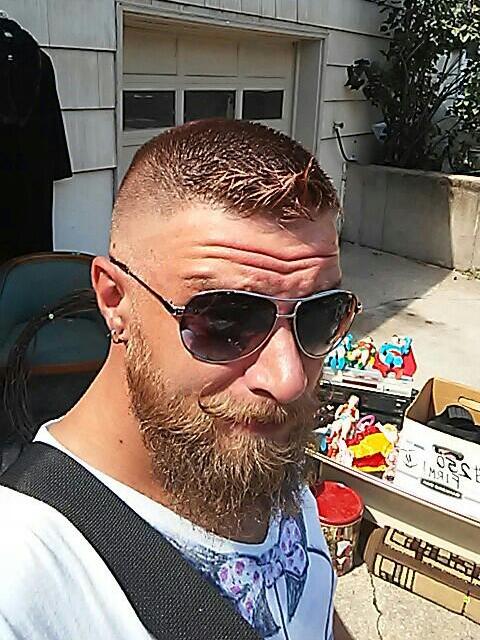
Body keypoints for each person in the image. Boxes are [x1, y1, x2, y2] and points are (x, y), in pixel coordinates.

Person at [0, 119, 358, 639]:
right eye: (227, 320)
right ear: (115, 301)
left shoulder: (252, 445)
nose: (289, 379)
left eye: (321, 314)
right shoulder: (21, 580)